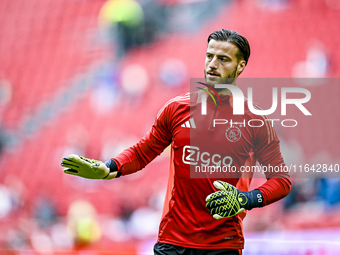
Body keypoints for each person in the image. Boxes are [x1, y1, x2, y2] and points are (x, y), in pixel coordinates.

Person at [61, 29, 291, 255]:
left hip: (222, 244)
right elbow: (143, 152)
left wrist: (246, 199)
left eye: (223, 59)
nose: (212, 64)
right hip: (173, 242)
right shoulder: (176, 109)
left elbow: (281, 180)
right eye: (209, 56)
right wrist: (108, 168)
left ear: (240, 66)